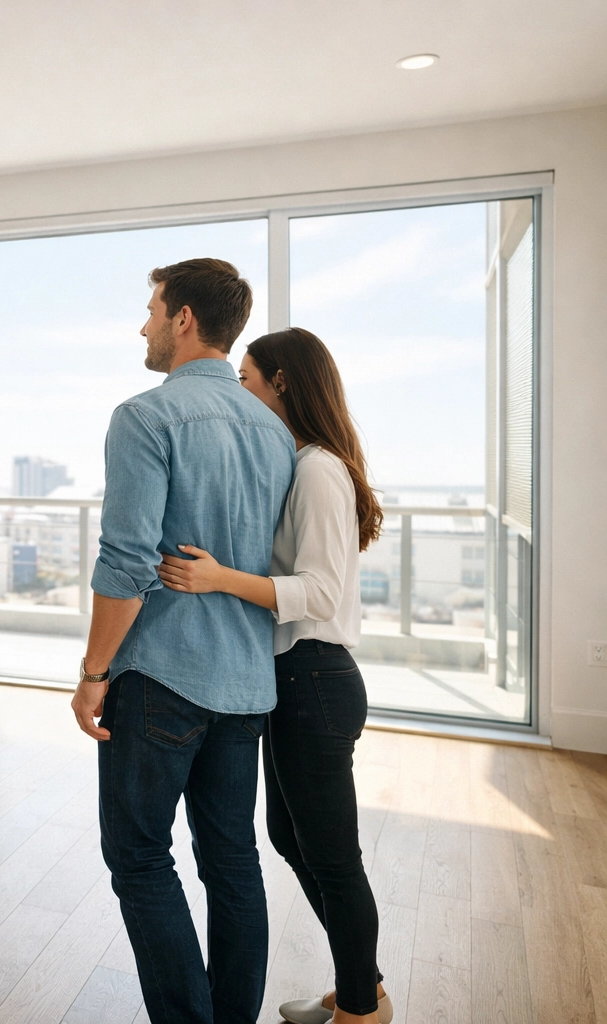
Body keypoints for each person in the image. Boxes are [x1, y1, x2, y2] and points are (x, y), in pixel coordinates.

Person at [71, 259, 295, 1024]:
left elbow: (127, 564)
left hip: (162, 677)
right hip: (246, 683)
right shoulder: (275, 433)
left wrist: (94, 671)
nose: (143, 326)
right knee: (232, 861)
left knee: (138, 856)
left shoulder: (146, 417)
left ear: (184, 319)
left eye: (152, 310)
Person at [157, 328, 391, 1024]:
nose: (241, 391)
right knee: (293, 839)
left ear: (282, 382)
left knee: (333, 858)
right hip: (298, 680)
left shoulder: (318, 469)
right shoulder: (303, 462)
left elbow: (317, 592)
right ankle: (363, 985)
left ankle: (362, 1009)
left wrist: (219, 578)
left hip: (314, 680)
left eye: (248, 379)